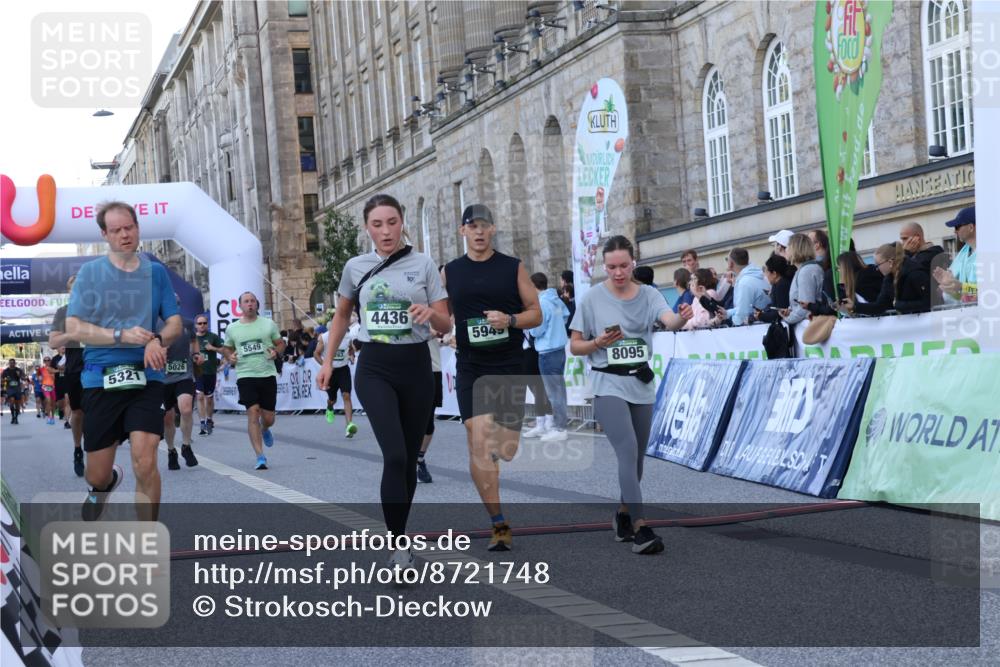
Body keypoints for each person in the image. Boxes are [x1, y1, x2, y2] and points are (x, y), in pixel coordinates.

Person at [317, 194, 451, 570]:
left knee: (407, 460)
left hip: (415, 364)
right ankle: (398, 546)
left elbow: (445, 323)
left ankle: (401, 536)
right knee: (394, 454)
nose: (386, 231)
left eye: (392, 222)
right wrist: (329, 362)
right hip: (375, 365)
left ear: (402, 221)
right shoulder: (355, 267)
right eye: (377, 224)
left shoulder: (422, 263)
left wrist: (430, 314)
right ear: (367, 228)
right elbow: (342, 316)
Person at [570, 235, 691, 555]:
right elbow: (575, 344)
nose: (618, 273)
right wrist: (598, 344)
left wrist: (682, 317)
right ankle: (640, 527)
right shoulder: (592, 298)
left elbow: (670, 321)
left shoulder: (649, 294)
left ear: (633, 263)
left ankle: (623, 515)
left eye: (624, 266)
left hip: (640, 382)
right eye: (611, 267)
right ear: (604, 266)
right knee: (626, 451)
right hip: (607, 383)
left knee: (637, 460)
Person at [64, 200, 182, 522]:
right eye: (116, 230)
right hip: (100, 378)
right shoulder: (90, 274)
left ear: (137, 228)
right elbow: (73, 327)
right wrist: (121, 336)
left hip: (147, 377)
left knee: (145, 462)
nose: (125, 235)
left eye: (129, 227)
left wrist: (157, 340)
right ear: (105, 234)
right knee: (96, 476)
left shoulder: (155, 273)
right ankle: (105, 484)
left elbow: (174, 322)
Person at [444, 203, 542, 552]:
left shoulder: (512, 267)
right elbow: (441, 313)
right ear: (463, 231)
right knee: (478, 436)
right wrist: (442, 329)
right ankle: (498, 523)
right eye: (473, 226)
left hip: (509, 363)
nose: (479, 232)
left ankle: (502, 449)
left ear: (493, 229)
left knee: (506, 448)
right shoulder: (451, 272)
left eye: (485, 225)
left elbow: (536, 313)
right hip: (471, 364)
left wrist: (511, 320)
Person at [222, 292, 285, 470]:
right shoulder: (232, 328)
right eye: (246, 302)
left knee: (268, 418)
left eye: (252, 301)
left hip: (266, 374)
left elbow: (280, 343)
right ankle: (260, 456)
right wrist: (230, 357)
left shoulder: (268, 324)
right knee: (253, 412)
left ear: (257, 304)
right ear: (240, 306)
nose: (250, 304)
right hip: (245, 374)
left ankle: (265, 428)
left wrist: (276, 352)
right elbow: (227, 348)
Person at [49, 275, 86, 476]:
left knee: (98, 412)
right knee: (79, 413)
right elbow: (53, 343)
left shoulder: (98, 310)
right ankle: (78, 449)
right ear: (70, 292)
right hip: (75, 370)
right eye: (75, 289)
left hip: (99, 369)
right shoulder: (63, 313)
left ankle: (98, 451)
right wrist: (71, 335)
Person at [527, 272, 570, 442]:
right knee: (559, 390)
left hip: (547, 351)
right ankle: (559, 426)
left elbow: (538, 329)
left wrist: (530, 329)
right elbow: (566, 316)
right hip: (559, 349)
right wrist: (556, 329)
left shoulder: (542, 303)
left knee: (554, 392)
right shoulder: (556, 299)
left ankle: (559, 428)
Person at [160, 302, 200, 470]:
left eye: (176, 304)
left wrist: (197, 353)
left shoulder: (188, 322)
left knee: (186, 409)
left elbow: (194, 339)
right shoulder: (154, 323)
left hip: (184, 373)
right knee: (167, 419)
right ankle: (171, 451)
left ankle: (185, 445)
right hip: (162, 378)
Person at [843, 242, 930, 316]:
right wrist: (854, 307)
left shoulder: (915, 273)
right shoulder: (888, 279)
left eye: (878, 265)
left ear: (890, 262)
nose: (876, 268)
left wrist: (901, 306)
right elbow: (879, 306)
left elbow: (929, 301)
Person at [313, 316, 359, 438]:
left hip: (343, 370)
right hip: (331, 373)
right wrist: (325, 365)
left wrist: (351, 355)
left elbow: (350, 349)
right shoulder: (325, 337)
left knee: (346, 395)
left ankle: (349, 426)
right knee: (332, 399)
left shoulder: (347, 337)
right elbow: (316, 353)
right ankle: (329, 407)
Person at [419, 324, 445, 483]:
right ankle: (406, 460)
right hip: (409, 370)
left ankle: (419, 459)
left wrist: (441, 332)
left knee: (428, 422)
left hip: (433, 369)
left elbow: (446, 328)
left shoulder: (435, 313)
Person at [934, 206, 977, 304]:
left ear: (971, 227)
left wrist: (961, 287)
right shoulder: (964, 251)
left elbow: (988, 292)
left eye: (957, 227)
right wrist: (947, 286)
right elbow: (959, 294)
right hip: (967, 314)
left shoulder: (990, 250)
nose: (954, 231)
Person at [781, 233, 826, 325]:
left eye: (788, 246)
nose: (785, 249)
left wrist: (787, 319)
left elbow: (805, 306)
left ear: (795, 248)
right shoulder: (803, 270)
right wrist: (790, 311)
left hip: (811, 326)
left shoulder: (806, 271)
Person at [194, 315, 225, 435]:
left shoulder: (213, 337)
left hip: (210, 372)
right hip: (198, 372)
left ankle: (209, 419)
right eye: (200, 323)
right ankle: (202, 422)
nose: (202, 325)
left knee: (209, 398)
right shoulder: (193, 338)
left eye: (204, 323)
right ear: (196, 325)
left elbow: (224, 350)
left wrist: (212, 348)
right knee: (200, 396)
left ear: (207, 324)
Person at [725, 248, 770, 326]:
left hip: (755, 330)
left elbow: (742, 315)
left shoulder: (745, 283)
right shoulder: (758, 275)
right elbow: (747, 307)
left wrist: (730, 320)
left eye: (727, 260)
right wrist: (727, 313)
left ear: (731, 263)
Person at [755, 254, 796, 324]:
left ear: (774, 273)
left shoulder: (781, 285)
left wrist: (761, 316)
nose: (766, 275)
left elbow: (779, 312)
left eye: (767, 272)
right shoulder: (779, 283)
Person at [2, 360, 25, 425]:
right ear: (9, 363)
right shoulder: (6, 371)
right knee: (11, 401)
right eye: (10, 363)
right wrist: (5, 379)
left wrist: (19, 375)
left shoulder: (19, 370)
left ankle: (16, 418)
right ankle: (12, 416)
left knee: (17, 404)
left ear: (15, 363)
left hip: (17, 389)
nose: (12, 364)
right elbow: (1, 379)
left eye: (13, 363)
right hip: (10, 388)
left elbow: (24, 378)